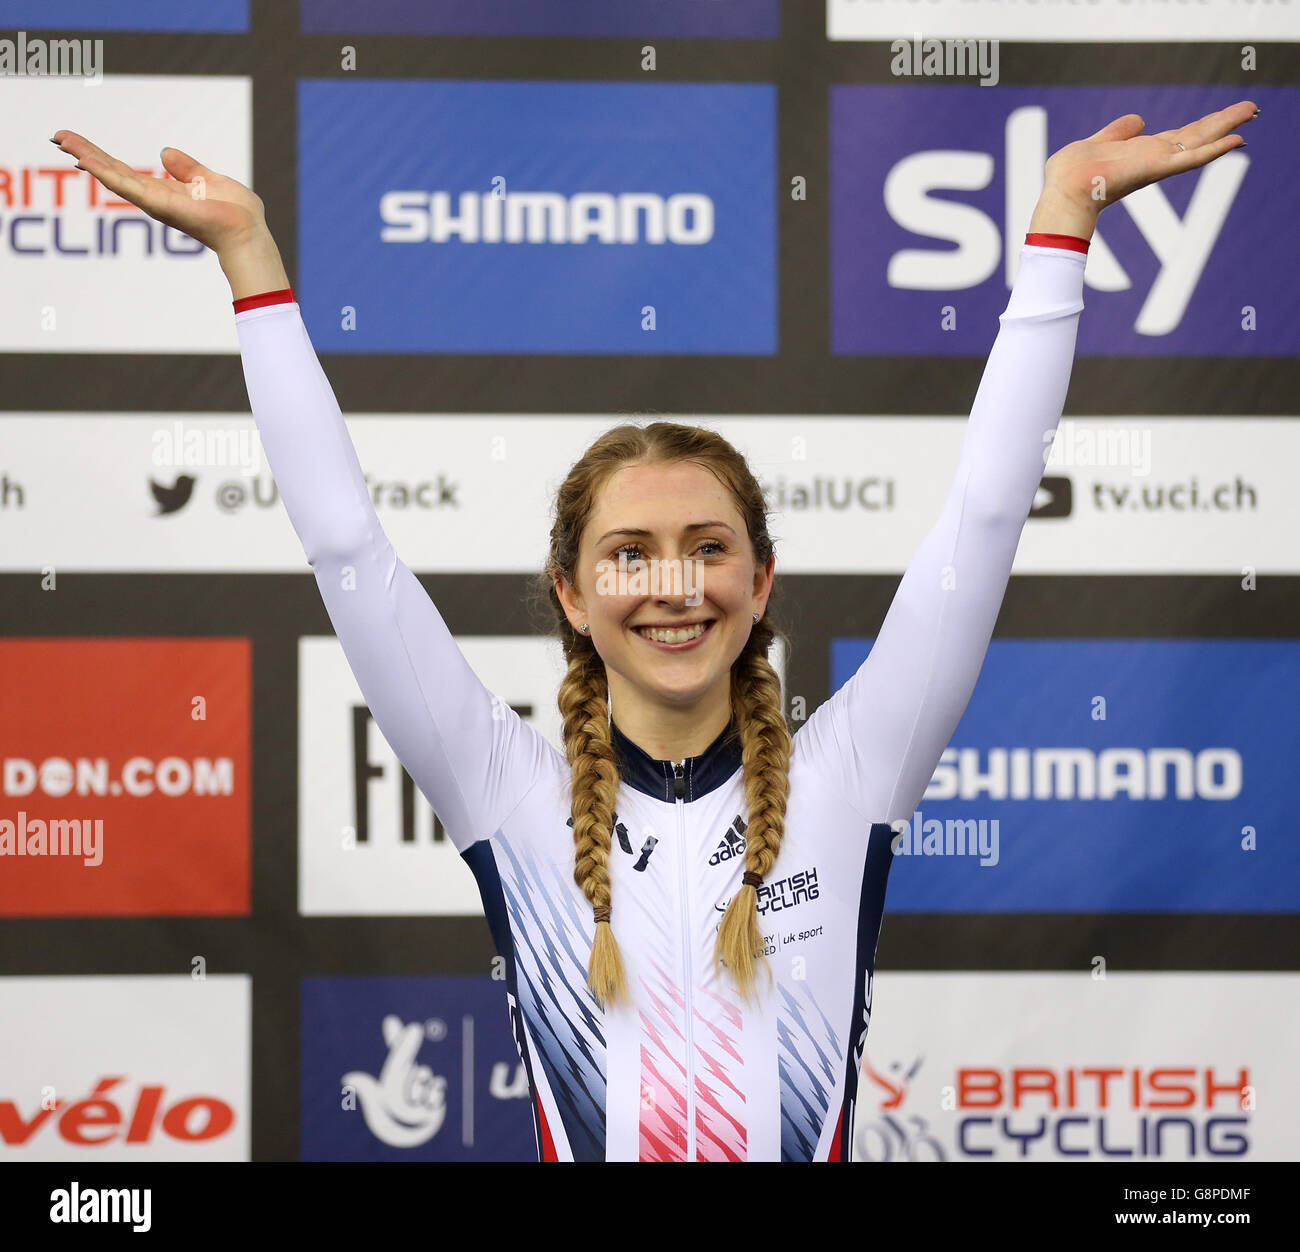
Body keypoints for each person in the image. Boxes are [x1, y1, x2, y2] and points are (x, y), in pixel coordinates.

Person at [51, 100, 1256, 1162]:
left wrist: (1058, 230)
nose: (674, 583)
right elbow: (348, 547)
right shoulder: (501, 788)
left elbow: (988, 513)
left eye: (708, 546)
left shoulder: (855, 765)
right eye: (628, 553)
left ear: (762, 580)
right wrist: (251, 264)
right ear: (570, 593)